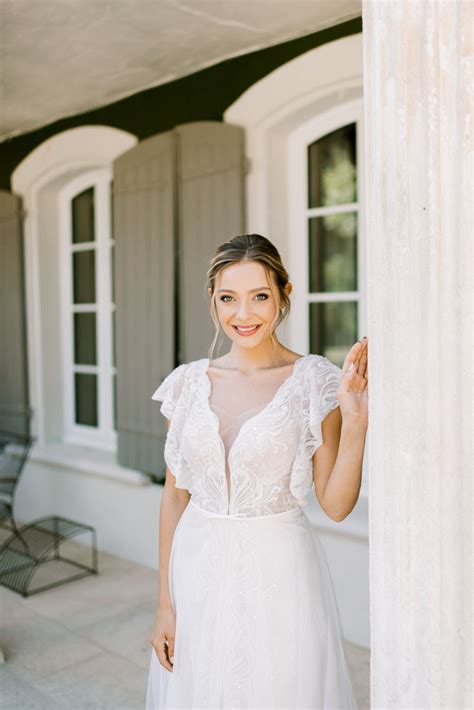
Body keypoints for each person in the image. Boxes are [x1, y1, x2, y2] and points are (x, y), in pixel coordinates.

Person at [146, 233, 368, 709]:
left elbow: (336, 504)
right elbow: (174, 497)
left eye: (259, 297)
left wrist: (355, 422)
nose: (242, 315)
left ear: (285, 294)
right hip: (196, 571)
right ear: (212, 300)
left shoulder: (314, 381)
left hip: (279, 576)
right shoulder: (187, 384)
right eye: (229, 298)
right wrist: (165, 602)